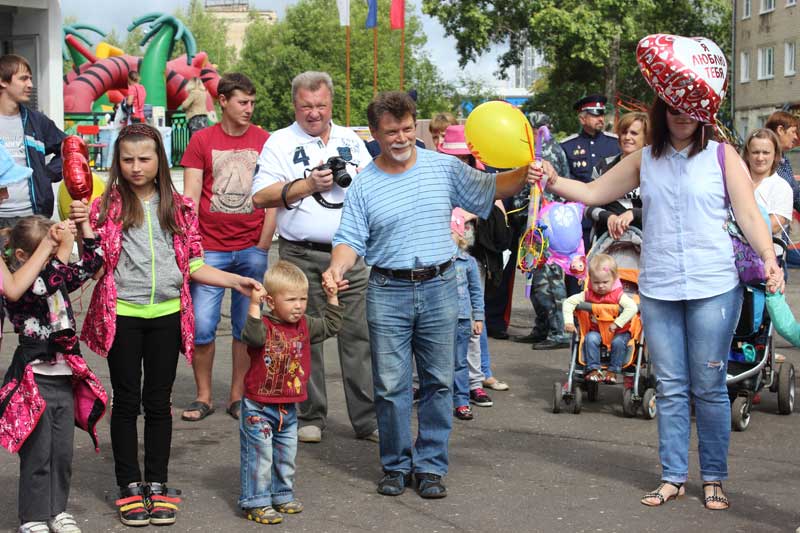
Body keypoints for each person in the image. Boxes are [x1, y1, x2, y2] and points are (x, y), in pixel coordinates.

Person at [532, 96, 783, 511]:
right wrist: (552, 179)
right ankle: (673, 477)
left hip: (714, 285)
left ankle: (715, 478)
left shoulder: (722, 156)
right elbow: (594, 191)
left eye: (690, 108)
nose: (682, 115)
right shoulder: (645, 159)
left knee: (709, 386)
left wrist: (770, 260)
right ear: (661, 113)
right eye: (673, 108)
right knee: (669, 386)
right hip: (660, 287)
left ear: (702, 114)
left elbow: (750, 215)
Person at [324, 91, 538, 499]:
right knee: (389, 385)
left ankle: (431, 467)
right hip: (386, 289)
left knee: (440, 382)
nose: (401, 138)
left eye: (407, 128)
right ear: (374, 134)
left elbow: (491, 186)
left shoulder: (443, 167)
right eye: (391, 132)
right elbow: (349, 238)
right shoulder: (365, 184)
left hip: (441, 287)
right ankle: (395, 465)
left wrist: (526, 171)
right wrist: (336, 267)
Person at [78, 124, 262, 527]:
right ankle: (129, 483)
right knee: (126, 401)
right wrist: (82, 230)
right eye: (127, 159)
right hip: (122, 314)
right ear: (117, 161)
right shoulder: (104, 204)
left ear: (159, 159)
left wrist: (236, 281)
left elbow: (194, 264)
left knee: (159, 403)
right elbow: (91, 265)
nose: (136, 167)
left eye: (144, 158)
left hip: (166, 316)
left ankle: (157, 483)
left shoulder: (179, 206)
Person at [251, 71, 377, 444]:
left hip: (352, 254)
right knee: (304, 337)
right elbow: (260, 197)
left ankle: (367, 419)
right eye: (306, 106)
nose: (314, 113)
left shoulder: (351, 140)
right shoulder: (279, 141)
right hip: (301, 253)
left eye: (321, 105)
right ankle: (310, 415)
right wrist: (308, 184)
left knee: (358, 337)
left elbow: (371, 188)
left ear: (331, 103)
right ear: (295, 104)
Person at [0, 216, 105, 533]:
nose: (59, 258)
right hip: (33, 379)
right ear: (23, 257)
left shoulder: (55, 273)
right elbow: (48, 282)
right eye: (49, 253)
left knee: (61, 452)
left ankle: (57, 510)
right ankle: (32, 517)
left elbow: (94, 265)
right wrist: (57, 247)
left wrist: (85, 226)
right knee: (38, 454)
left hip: (64, 377)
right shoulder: (24, 283)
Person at [180, 73, 274, 423]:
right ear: (223, 101)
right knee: (203, 326)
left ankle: (237, 396)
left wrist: (263, 245)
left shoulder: (265, 140)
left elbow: (273, 197)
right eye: (242, 102)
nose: (249, 109)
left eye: (252, 102)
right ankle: (204, 396)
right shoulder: (202, 140)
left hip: (251, 247)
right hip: (209, 250)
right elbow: (189, 199)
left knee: (243, 328)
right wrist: (192, 248)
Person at [238, 260, 343, 525]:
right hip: (259, 407)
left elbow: (331, 326)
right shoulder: (263, 324)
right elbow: (252, 337)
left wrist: (332, 297)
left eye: (303, 299)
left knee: (286, 454)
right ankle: (257, 501)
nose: (298, 305)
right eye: (291, 299)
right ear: (271, 302)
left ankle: (281, 493)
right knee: (260, 455)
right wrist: (253, 304)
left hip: (288, 407)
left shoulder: (305, 324)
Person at [436, 125, 508, 402]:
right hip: (442, 258)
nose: (459, 162)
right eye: (455, 157)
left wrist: (474, 213)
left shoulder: (483, 181)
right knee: (443, 322)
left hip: (474, 258)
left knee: (474, 319)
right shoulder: (439, 178)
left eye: (464, 157)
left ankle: (479, 376)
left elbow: (501, 228)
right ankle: (449, 380)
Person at [511, 112, 571, 350]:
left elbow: (548, 188)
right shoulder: (535, 150)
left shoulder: (546, 151)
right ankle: (543, 327)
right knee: (535, 278)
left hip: (545, 225)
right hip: (532, 224)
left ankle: (559, 331)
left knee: (549, 279)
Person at [561, 94, 620, 295]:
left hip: (609, 218)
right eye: (595, 115)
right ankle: (576, 317)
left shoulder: (615, 143)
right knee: (576, 270)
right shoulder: (567, 147)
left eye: (602, 114)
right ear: (582, 118)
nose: (601, 119)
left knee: (608, 268)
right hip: (580, 221)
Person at [0, 54, 66, 224]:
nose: (30, 85)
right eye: (23, 79)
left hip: (32, 219)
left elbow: (70, 148)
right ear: (3, 81)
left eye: (30, 79)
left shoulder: (37, 121)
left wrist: (47, 174)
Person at [562, 253, 638, 384]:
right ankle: (593, 369)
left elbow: (632, 307)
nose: (601, 286)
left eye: (605, 282)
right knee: (590, 338)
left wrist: (618, 323)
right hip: (596, 330)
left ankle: (613, 371)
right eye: (596, 282)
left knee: (618, 343)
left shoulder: (618, 295)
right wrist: (568, 322)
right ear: (590, 280)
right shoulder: (588, 294)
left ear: (614, 279)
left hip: (618, 331)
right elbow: (568, 302)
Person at [585, 111, 649, 239]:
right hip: (607, 241)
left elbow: (664, 208)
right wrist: (608, 216)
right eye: (624, 132)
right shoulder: (602, 166)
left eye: (634, 133)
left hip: (646, 241)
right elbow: (587, 206)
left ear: (646, 138)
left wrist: (634, 214)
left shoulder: (656, 169)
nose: (627, 137)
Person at [450, 209, 484, 421]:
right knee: (437, 363)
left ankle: (461, 401)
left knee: (460, 362)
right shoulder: (433, 261)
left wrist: (478, 317)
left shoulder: (468, 263)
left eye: (450, 232)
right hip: (438, 319)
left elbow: (476, 291)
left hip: (462, 318)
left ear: (460, 236)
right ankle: (438, 400)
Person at [742, 128, 793, 256]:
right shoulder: (736, 182)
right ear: (747, 154)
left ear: (775, 155)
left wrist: (736, 229)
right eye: (755, 152)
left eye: (765, 152)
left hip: (767, 260)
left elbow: (774, 225)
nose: (760, 157)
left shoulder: (781, 187)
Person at [764, 111, 800, 213]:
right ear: (780, 130)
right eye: (793, 132)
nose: (796, 137)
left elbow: (796, 194)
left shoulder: (783, 159)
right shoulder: (764, 158)